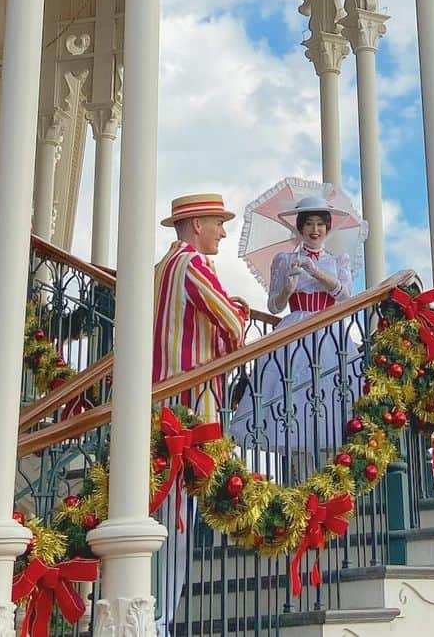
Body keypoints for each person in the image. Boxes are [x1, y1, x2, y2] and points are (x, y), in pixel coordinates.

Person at [152, 193, 250, 637]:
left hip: (160, 401)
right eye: (218, 223)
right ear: (195, 226)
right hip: (189, 405)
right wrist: (243, 313)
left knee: (163, 514)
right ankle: (159, 618)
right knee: (176, 520)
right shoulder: (193, 263)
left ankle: (154, 612)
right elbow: (230, 324)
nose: (222, 232)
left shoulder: (161, 268)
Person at [229, 193, 356, 476]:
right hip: (295, 326)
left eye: (320, 224)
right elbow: (274, 304)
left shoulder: (338, 260)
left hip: (327, 331)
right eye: (309, 223)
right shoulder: (284, 259)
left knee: (327, 395)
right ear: (299, 228)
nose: (314, 230)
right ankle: (298, 480)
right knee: (290, 399)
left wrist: (317, 273)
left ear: (327, 228)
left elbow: (346, 297)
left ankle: (326, 481)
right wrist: (288, 287)